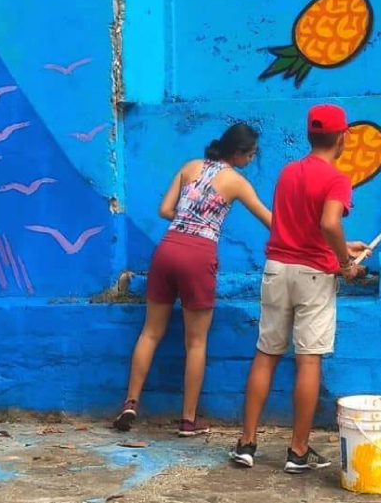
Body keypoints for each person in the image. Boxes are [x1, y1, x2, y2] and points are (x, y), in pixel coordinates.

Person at [231, 104, 368, 473]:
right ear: (343, 137)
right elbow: (327, 223)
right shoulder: (337, 178)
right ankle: (297, 452)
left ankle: (246, 444)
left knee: (266, 354)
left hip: (277, 270)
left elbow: (303, 226)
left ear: (310, 135)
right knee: (308, 360)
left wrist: (343, 245)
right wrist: (345, 264)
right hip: (313, 277)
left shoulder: (288, 173)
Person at [113, 123, 272, 437]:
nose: (252, 160)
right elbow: (270, 221)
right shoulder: (237, 183)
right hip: (199, 255)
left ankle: (130, 403)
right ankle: (188, 420)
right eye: (251, 154)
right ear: (238, 153)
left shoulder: (190, 166)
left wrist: (189, 218)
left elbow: (164, 209)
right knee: (196, 342)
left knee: (150, 332)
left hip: (168, 248)